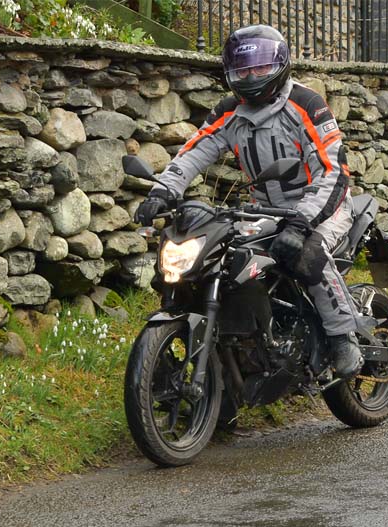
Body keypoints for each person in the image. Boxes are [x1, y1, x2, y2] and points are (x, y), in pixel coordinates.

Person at [134, 24, 363, 379]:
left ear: (280, 65)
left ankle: (342, 337)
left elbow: (334, 172)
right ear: (230, 72)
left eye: (260, 67)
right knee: (219, 261)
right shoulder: (230, 111)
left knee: (307, 253)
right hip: (264, 211)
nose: (252, 75)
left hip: (321, 208)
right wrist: (163, 190)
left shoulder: (306, 104)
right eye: (243, 69)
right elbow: (194, 152)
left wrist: (302, 222)